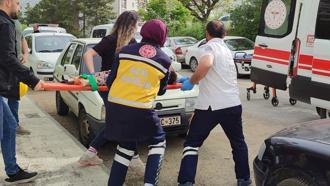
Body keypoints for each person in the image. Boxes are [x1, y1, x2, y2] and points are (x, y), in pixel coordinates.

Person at [177, 20, 251, 186]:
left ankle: (186, 181)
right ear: (224, 34)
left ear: (207, 33)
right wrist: (190, 78)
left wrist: (192, 81)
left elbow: (207, 64)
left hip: (210, 107)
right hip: (232, 104)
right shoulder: (226, 50)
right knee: (238, 143)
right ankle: (244, 179)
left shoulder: (209, 47)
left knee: (192, 143)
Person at [105, 19, 170, 185]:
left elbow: (110, 81)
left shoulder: (124, 51)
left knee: (125, 147)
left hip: (115, 106)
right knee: (158, 141)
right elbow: (161, 91)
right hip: (141, 109)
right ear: (162, 36)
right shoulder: (164, 60)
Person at [79, 10, 145, 174]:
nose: (137, 28)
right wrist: (93, 75)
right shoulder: (110, 40)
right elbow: (88, 54)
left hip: (122, 87)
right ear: (130, 24)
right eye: (136, 24)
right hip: (108, 87)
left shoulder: (132, 41)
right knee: (124, 121)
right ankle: (134, 159)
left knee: (118, 122)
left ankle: (91, 153)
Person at [0, 0, 44, 184]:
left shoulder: (6, 23)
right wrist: (33, 79)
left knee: (9, 126)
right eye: (18, 3)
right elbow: (7, 57)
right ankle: (12, 170)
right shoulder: (4, 24)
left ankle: (12, 170)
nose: (19, 7)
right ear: (7, 2)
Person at [7, 19, 31, 136]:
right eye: (17, 3)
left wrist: (26, 53)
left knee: (14, 96)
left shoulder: (16, 22)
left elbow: (21, 38)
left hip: (15, 65)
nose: (19, 7)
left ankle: (15, 125)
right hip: (4, 65)